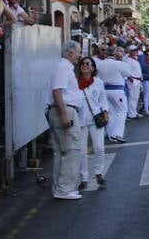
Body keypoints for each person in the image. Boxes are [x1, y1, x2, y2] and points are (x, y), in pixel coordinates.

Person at [47, 41, 84, 201]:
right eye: (78, 52)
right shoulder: (63, 67)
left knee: (61, 152)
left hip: (62, 110)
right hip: (65, 110)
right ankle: (65, 189)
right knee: (71, 150)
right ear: (70, 53)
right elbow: (57, 91)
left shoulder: (63, 67)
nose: (79, 56)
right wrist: (64, 114)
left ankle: (60, 188)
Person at [73, 56, 109, 190]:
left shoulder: (98, 82)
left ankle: (99, 173)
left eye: (88, 64)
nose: (85, 66)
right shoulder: (75, 83)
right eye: (82, 64)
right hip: (80, 120)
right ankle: (84, 178)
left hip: (96, 119)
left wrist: (106, 112)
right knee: (82, 151)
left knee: (99, 148)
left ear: (93, 67)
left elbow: (103, 99)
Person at [95, 45, 129, 144]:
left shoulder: (100, 64)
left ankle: (111, 135)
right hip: (117, 90)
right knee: (122, 111)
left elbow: (97, 76)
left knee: (111, 113)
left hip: (105, 90)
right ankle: (117, 134)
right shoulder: (119, 64)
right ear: (115, 53)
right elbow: (127, 74)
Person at [124, 44, 144, 118]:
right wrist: (131, 79)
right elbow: (126, 71)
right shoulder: (128, 60)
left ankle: (134, 112)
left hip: (137, 80)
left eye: (136, 50)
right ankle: (131, 114)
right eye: (134, 51)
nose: (136, 52)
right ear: (130, 52)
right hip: (133, 80)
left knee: (135, 97)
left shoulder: (134, 58)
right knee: (132, 97)